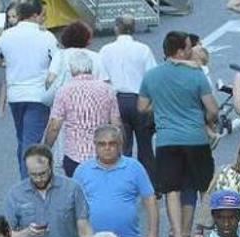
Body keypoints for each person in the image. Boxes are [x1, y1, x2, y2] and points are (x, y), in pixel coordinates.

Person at [140, 31, 219, 237]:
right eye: (188, 47)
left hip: (167, 140)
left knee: (172, 189)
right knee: (204, 187)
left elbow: (142, 107)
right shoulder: (196, 75)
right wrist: (208, 121)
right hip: (196, 138)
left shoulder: (152, 76)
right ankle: (205, 232)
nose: (191, 50)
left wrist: (162, 105)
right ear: (180, 50)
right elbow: (213, 109)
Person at [73, 125, 158, 237]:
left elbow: (149, 200)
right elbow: (72, 207)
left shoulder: (134, 167)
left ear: (120, 145)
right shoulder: (83, 171)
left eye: (112, 143)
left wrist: (153, 233)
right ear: (95, 146)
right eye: (102, 144)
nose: (107, 147)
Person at [0, 0, 58, 179]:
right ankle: (28, 182)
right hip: (38, 94)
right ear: (36, 15)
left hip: (15, 95)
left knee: (22, 139)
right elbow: (57, 62)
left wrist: (11, 63)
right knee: (31, 142)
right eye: (42, 15)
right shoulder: (47, 37)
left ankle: (25, 177)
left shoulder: (6, 35)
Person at [43, 52, 121, 177]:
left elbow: (54, 127)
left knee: (78, 192)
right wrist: (119, 148)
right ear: (91, 68)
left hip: (74, 156)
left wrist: (46, 148)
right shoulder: (107, 89)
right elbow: (116, 123)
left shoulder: (64, 91)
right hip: (103, 154)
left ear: (71, 70)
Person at [98, 15, 157, 177]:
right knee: (145, 146)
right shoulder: (143, 49)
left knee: (122, 146)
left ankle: (123, 180)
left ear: (116, 28)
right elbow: (152, 76)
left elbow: (103, 79)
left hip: (117, 100)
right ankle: (152, 184)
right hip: (140, 100)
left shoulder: (105, 50)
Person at [45, 21, 109, 90]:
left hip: (66, 97)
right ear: (87, 39)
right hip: (91, 97)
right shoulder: (96, 57)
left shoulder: (60, 55)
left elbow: (50, 80)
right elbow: (104, 82)